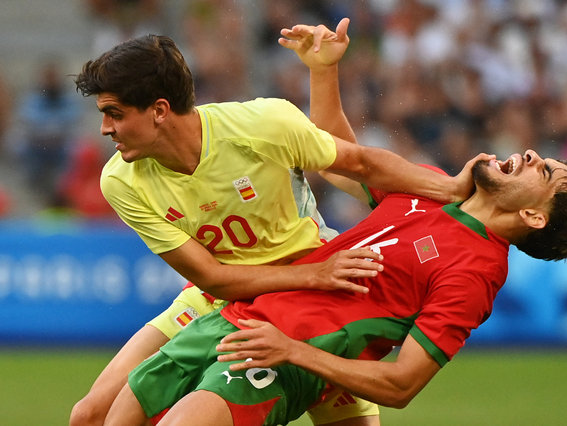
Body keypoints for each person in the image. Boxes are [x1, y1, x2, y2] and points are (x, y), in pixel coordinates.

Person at [69, 23, 485, 426]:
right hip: (234, 295)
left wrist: (452, 188)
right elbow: (214, 279)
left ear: (159, 110)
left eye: (114, 114)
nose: (105, 128)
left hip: (316, 300)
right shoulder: (121, 181)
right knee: (90, 416)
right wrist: (315, 274)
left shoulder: (262, 124)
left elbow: (356, 163)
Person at [103, 144, 567, 425]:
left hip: (279, 359)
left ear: (534, 216)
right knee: (103, 420)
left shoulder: (476, 276)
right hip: (238, 317)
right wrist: (323, 69)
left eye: (546, 171)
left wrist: (293, 353)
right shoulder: (433, 185)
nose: (534, 153)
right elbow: (339, 155)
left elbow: (403, 384)